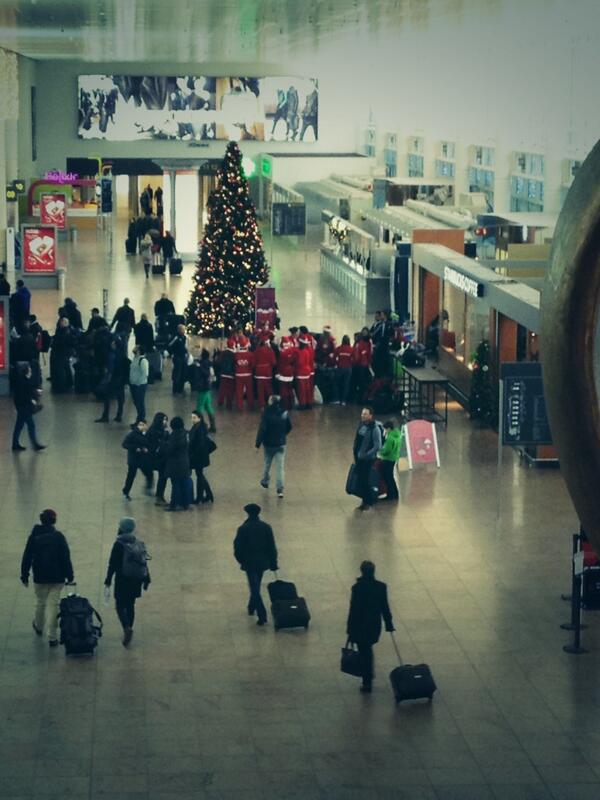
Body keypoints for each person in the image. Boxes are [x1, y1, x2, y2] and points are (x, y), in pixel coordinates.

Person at [20, 509, 74, 647]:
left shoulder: (34, 536)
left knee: (41, 602)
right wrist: (70, 576)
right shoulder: (58, 537)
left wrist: (24, 575)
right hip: (57, 578)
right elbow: (65, 557)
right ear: (53, 521)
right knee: (53, 606)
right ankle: (52, 637)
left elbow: (27, 557)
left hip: (40, 577)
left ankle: (38, 627)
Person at [346, 561, 395, 693]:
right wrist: (389, 623)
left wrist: (350, 630)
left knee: (364, 651)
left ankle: (367, 679)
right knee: (367, 649)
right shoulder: (381, 587)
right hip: (374, 625)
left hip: (360, 625)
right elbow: (385, 607)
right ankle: (368, 675)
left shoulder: (357, 588)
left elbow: (354, 610)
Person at [104, 518, 150, 647]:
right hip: (135, 579)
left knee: (119, 605)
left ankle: (126, 627)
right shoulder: (138, 543)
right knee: (130, 604)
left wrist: (108, 579)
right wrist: (146, 578)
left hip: (122, 579)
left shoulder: (118, 544)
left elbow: (112, 564)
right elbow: (144, 562)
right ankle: (130, 626)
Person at [233, 504, 278, 626]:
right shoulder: (266, 527)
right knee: (256, 585)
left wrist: (242, 560)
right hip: (263, 562)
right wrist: (273, 562)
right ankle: (251, 607)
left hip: (249, 563)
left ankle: (262, 614)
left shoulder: (243, 529)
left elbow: (237, 548)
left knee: (254, 588)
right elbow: (272, 546)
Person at [256, 395, 291, 499]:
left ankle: (265, 481)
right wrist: (283, 435)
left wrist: (257, 444)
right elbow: (289, 427)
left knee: (267, 463)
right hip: (280, 444)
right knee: (280, 467)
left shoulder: (266, 413)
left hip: (268, 444)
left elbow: (262, 430)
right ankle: (280, 490)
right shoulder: (284, 413)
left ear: (270, 402)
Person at [353, 406, 382, 511]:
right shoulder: (361, 425)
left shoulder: (375, 429)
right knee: (361, 479)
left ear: (370, 416)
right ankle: (366, 500)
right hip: (359, 458)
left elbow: (377, 445)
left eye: (365, 414)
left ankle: (367, 501)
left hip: (367, 460)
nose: (363, 416)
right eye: (362, 413)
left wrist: (367, 454)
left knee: (364, 480)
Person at [12, 364, 45, 451]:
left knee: (19, 425)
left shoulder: (21, 381)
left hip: (20, 406)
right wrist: (34, 399)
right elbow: (27, 394)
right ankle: (35, 444)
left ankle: (15, 444)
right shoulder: (26, 381)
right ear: (27, 371)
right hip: (24, 407)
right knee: (31, 425)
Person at [95, 337, 129, 423]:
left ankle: (105, 416)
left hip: (114, 378)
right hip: (120, 380)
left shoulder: (113, 355)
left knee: (107, 396)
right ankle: (119, 415)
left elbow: (111, 368)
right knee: (120, 399)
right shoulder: (123, 355)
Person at [164, 416, 191, 511]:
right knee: (184, 484)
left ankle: (174, 505)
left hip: (175, 464)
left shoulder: (174, 436)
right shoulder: (186, 433)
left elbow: (169, 450)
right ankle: (186, 504)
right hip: (185, 461)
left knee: (175, 485)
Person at [121, 419, 153, 500]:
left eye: (143, 425)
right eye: (140, 425)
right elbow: (124, 444)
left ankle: (148, 488)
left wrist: (147, 449)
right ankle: (126, 492)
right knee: (131, 476)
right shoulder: (132, 434)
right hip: (134, 460)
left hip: (143, 459)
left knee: (149, 474)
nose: (142, 427)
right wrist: (135, 448)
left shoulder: (148, 434)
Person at [189, 411, 214, 504]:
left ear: (200, 418)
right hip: (201, 456)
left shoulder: (199, 429)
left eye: (194, 417)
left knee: (199, 475)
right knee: (200, 474)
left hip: (198, 456)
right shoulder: (200, 427)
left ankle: (200, 496)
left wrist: (192, 454)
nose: (192, 419)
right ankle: (208, 494)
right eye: (192, 417)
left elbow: (199, 444)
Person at [146, 412, 169, 505]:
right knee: (163, 476)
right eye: (164, 420)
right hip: (157, 459)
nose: (165, 422)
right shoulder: (156, 432)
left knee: (162, 476)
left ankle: (159, 495)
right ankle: (159, 497)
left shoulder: (157, 430)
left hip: (157, 458)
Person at [378, 420, 402, 501]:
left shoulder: (390, 438)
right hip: (394, 458)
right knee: (390, 477)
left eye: (385, 429)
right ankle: (395, 494)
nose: (384, 431)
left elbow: (387, 450)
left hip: (387, 459)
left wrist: (380, 451)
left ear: (388, 428)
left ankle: (390, 495)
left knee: (387, 477)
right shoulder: (397, 435)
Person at [49, 318, 75, 393]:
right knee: (66, 367)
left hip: (61, 352)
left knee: (61, 368)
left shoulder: (64, 331)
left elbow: (61, 341)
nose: (60, 323)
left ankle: (62, 385)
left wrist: (54, 344)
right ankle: (69, 383)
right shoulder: (67, 330)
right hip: (65, 352)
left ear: (65, 323)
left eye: (61, 322)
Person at [194, 349, 216, 432]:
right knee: (208, 406)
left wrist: (199, 366)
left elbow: (205, 373)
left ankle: (199, 427)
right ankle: (213, 426)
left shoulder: (203, 364)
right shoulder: (209, 363)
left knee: (199, 407)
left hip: (203, 387)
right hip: (208, 387)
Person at [254, 338, 276, 408]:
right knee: (269, 389)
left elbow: (254, 363)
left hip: (259, 372)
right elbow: (274, 362)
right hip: (267, 372)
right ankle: (271, 403)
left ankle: (262, 404)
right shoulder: (270, 350)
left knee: (260, 390)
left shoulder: (256, 351)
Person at [129, 346, 149, 424]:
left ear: (139, 351)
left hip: (140, 385)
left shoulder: (143, 360)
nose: (134, 349)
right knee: (136, 401)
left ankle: (141, 419)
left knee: (140, 402)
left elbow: (145, 373)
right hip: (133, 384)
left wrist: (138, 382)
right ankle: (139, 418)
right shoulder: (135, 359)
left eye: (136, 348)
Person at [334, 334, 354, 405]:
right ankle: (343, 401)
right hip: (348, 369)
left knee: (337, 383)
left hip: (340, 368)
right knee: (346, 385)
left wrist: (337, 363)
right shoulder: (351, 349)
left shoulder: (339, 348)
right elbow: (354, 359)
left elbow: (334, 358)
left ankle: (337, 399)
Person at [168, 324, 188, 395]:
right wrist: (172, 353)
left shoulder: (184, 337)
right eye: (182, 329)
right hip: (177, 357)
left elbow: (185, 346)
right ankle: (175, 390)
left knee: (183, 373)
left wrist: (186, 353)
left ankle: (181, 389)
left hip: (183, 357)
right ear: (179, 330)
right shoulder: (175, 337)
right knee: (177, 374)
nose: (184, 331)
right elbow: (170, 345)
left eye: (184, 329)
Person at [234, 343, 254, 410]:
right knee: (249, 390)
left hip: (238, 374)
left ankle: (239, 405)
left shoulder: (236, 354)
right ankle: (250, 404)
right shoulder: (250, 354)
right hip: (248, 374)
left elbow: (234, 363)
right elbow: (252, 364)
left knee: (239, 391)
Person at [217, 341, 236, 409]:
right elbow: (235, 364)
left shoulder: (223, 353)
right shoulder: (234, 354)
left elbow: (218, 361)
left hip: (223, 373)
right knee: (230, 390)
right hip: (231, 374)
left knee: (222, 389)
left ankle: (220, 402)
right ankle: (229, 404)